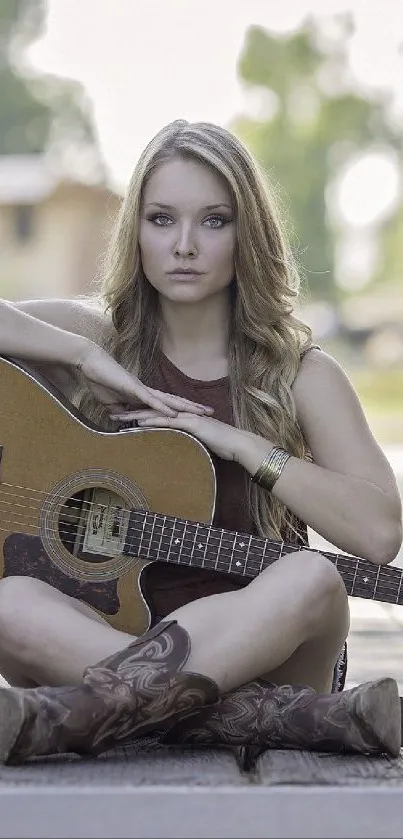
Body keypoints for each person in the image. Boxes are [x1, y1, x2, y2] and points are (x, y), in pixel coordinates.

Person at [0, 119, 401, 764]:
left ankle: (83, 713)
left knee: (312, 576)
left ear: (249, 235)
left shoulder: (300, 373)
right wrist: (78, 353)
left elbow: (381, 534)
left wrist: (246, 448)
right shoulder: (96, 341)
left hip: (276, 656)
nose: (184, 244)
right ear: (135, 230)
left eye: (213, 220)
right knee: (9, 600)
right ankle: (263, 720)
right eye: (162, 219)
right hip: (112, 636)